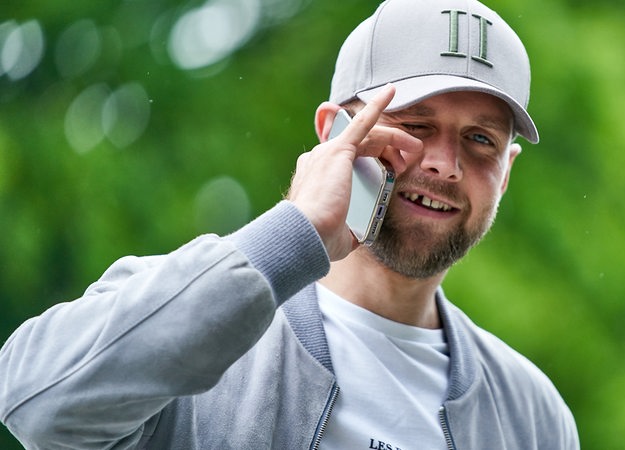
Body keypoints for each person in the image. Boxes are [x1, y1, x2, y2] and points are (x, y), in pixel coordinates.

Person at [0, 0, 579, 448]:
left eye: (480, 140)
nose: (444, 165)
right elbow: (33, 402)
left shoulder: (532, 414)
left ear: (505, 173)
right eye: (415, 124)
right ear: (332, 133)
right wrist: (293, 234)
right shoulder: (192, 317)